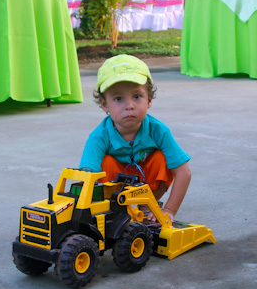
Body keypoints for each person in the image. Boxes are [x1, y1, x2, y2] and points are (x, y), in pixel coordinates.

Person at [79, 54, 192, 222]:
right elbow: (86, 176)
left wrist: (169, 209)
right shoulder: (99, 137)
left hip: (147, 191)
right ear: (104, 105)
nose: (129, 105)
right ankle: (114, 208)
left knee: (163, 159)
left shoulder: (159, 131)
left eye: (137, 96)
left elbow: (184, 172)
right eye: (118, 98)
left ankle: (148, 206)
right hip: (115, 195)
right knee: (105, 163)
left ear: (149, 100)